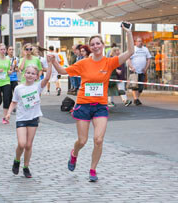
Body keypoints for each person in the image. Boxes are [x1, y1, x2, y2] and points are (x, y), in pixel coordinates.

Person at [48, 23, 134, 182]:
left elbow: (130, 52)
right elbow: (62, 71)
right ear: (90, 47)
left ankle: (93, 170)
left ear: (103, 45)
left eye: (98, 43)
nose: (95, 46)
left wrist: (128, 32)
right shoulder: (83, 63)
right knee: (82, 140)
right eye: (92, 44)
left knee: (98, 139)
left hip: (100, 106)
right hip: (83, 104)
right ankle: (74, 153)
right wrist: (53, 61)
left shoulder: (109, 62)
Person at [6, 60, 52, 178]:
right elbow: (14, 102)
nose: (30, 75)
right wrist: (8, 113)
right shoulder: (18, 88)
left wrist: (50, 63)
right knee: (21, 144)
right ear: (24, 74)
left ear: (36, 76)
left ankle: (26, 167)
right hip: (21, 118)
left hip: (33, 118)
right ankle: (17, 160)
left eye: (33, 73)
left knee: (28, 145)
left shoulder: (37, 86)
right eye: (28, 73)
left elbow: (47, 78)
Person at [127, 37, 151, 105]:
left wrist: (146, 68)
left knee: (140, 87)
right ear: (136, 42)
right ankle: (136, 99)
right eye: (139, 41)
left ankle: (136, 98)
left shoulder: (145, 49)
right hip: (134, 71)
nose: (140, 42)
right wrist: (131, 67)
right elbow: (128, 59)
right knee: (134, 86)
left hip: (142, 71)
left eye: (141, 41)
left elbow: (149, 59)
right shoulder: (133, 49)